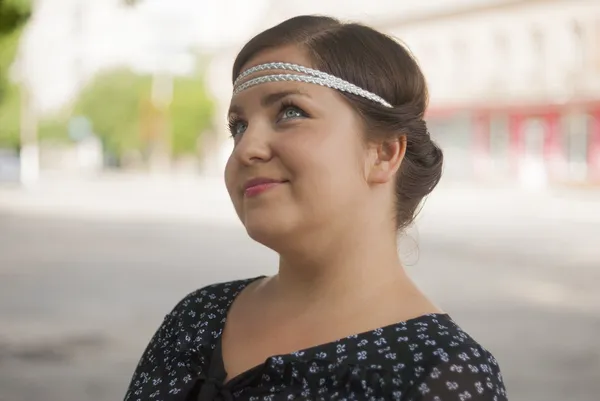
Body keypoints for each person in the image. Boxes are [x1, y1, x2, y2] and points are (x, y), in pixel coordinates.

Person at [124, 15, 508, 401]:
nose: (246, 148)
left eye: (290, 112)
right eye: (238, 125)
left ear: (384, 153)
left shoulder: (442, 375)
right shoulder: (199, 318)